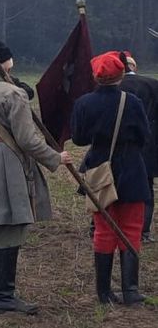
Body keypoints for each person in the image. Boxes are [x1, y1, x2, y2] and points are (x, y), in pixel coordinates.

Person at [0, 36, 71, 315]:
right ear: (4, 62)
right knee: (9, 225)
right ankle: (2, 296)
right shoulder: (12, 93)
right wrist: (55, 158)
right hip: (6, 160)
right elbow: (28, 140)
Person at [72, 52, 151, 305]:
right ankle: (130, 291)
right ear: (119, 75)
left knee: (104, 230)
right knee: (131, 228)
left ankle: (104, 293)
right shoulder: (133, 102)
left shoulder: (83, 103)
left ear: (97, 76)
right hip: (131, 168)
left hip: (99, 167)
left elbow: (79, 138)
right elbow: (144, 136)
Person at [120, 51, 158, 241]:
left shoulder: (109, 85)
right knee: (146, 188)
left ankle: (99, 226)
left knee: (109, 185)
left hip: (116, 146)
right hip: (146, 146)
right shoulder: (153, 84)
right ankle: (143, 231)